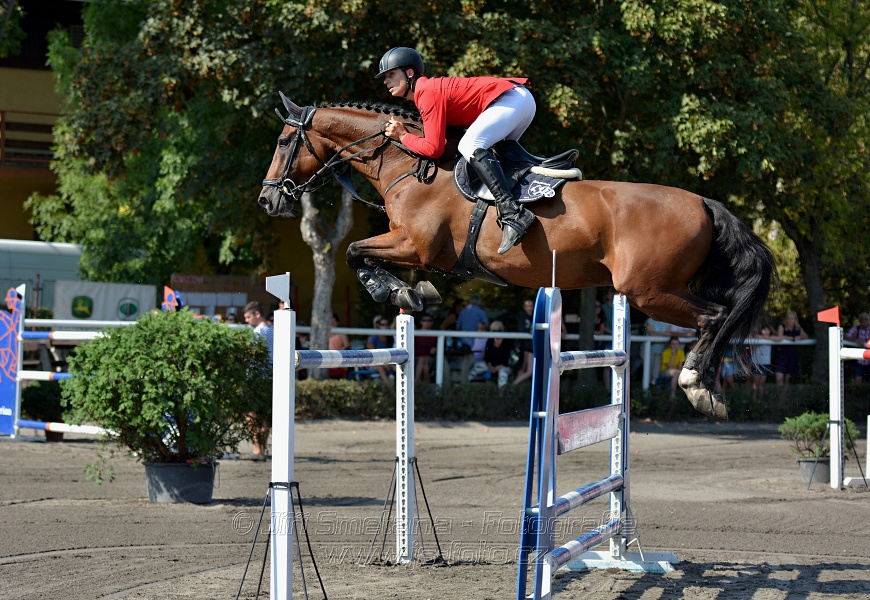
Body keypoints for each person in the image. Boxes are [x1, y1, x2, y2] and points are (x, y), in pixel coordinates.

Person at [378, 47, 536, 254]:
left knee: (469, 146)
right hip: (519, 100)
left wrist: (402, 136)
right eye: (385, 77)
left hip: (510, 100)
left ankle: (512, 213)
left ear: (409, 73)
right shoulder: (427, 92)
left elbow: (434, 149)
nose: (386, 81)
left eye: (391, 74)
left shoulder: (426, 92)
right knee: (495, 155)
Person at [244, 301, 273, 461]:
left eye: (248, 317)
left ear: (257, 314)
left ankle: (257, 449)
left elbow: (251, 356)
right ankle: (261, 448)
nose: (247, 321)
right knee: (265, 417)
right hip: (270, 377)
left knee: (252, 415)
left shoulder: (259, 332)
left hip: (256, 379)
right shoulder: (273, 331)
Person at [467, 321, 514, 395]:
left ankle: (500, 396)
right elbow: (487, 357)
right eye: (493, 331)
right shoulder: (490, 341)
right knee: (477, 367)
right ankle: (466, 388)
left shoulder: (507, 341)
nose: (496, 333)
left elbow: (510, 358)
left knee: (503, 373)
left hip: (504, 366)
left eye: (498, 331)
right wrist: (490, 366)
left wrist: (501, 366)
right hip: (491, 366)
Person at [774, 310, 807, 391]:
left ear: (795, 319)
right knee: (779, 378)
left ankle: (783, 400)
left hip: (791, 354)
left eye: (792, 318)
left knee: (787, 379)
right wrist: (793, 339)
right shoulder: (782, 326)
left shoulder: (798, 327)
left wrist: (802, 336)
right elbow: (780, 336)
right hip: (781, 354)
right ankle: (778, 399)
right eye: (788, 318)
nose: (790, 320)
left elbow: (806, 336)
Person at [746, 321, 775, 401]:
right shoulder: (757, 338)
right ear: (761, 331)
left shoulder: (771, 339)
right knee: (755, 383)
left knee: (761, 384)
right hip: (757, 364)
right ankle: (753, 400)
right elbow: (752, 336)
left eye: (768, 330)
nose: (766, 332)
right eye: (764, 330)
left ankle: (761, 401)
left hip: (766, 364)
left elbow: (779, 338)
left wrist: (768, 337)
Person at [513, 298, 535, 385]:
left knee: (528, 370)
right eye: (527, 306)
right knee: (523, 368)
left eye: (531, 306)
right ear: (524, 307)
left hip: (532, 347)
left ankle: (513, 387)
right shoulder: (522, 316)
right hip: (524, 347)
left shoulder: (536, 314)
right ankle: (513, 387)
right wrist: (529, 331)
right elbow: (521, 328)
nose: (529, 308)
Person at [368, 316, 396, 383]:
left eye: (387, 324)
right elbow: (371, 355)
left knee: (396, 367)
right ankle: (390, 389)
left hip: (386, 362)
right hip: (374, 363)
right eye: (383, 324)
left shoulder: (390, 338)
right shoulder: (374, 337)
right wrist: (383, 363)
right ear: (378, 326)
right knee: (380, 367)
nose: (385, 326)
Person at [845, 312, 870, 383]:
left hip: (869, 360)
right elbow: (846, 336)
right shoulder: (856, 328)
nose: (864, 321)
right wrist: (856, 340)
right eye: (862, 319)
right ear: (860, 321)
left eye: (866, 319)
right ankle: (857, 393)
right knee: (857, 381)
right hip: (859, 360)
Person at [594, 298, 612, 392]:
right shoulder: (587, 319)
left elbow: (600, 332)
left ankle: (608, 390)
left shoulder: (601, 319)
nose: (598, 308)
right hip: (591, 346)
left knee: (606, 367)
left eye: (599, 306)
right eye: (596, 306)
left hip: (599, 346)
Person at [414, 313, 438, 383]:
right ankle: (425, 388)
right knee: (425, 367)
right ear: (421, 322)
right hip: (416, 358)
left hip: (429, 359)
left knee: (425, 364)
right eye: (424, 320)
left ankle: (415, 385)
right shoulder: (415, 333)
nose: (427, 322)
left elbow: (435, 349)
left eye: (429, 320)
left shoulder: (436, 334)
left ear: (432, 322)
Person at [328, 313, 351, 379]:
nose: (332, 323)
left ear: (337, 322)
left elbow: (347, 346)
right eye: (330, 321)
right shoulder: (324, 334)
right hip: (327, 358)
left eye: (334, 321)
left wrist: (338, 353)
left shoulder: (341, 333)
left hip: (340, 358)